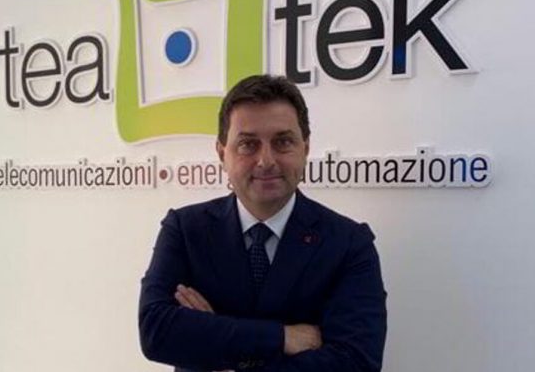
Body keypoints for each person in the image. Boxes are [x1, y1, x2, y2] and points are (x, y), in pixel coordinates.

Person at [139, 75, 387, 372]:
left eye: (283, 142)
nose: (266, 160)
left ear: (305, 148)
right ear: (222, 153)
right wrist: (281, 337)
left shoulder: (348, 243)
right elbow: (156, 332)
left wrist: (214, 339)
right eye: (248, 144)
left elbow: (356, 362)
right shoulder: (185, 229)